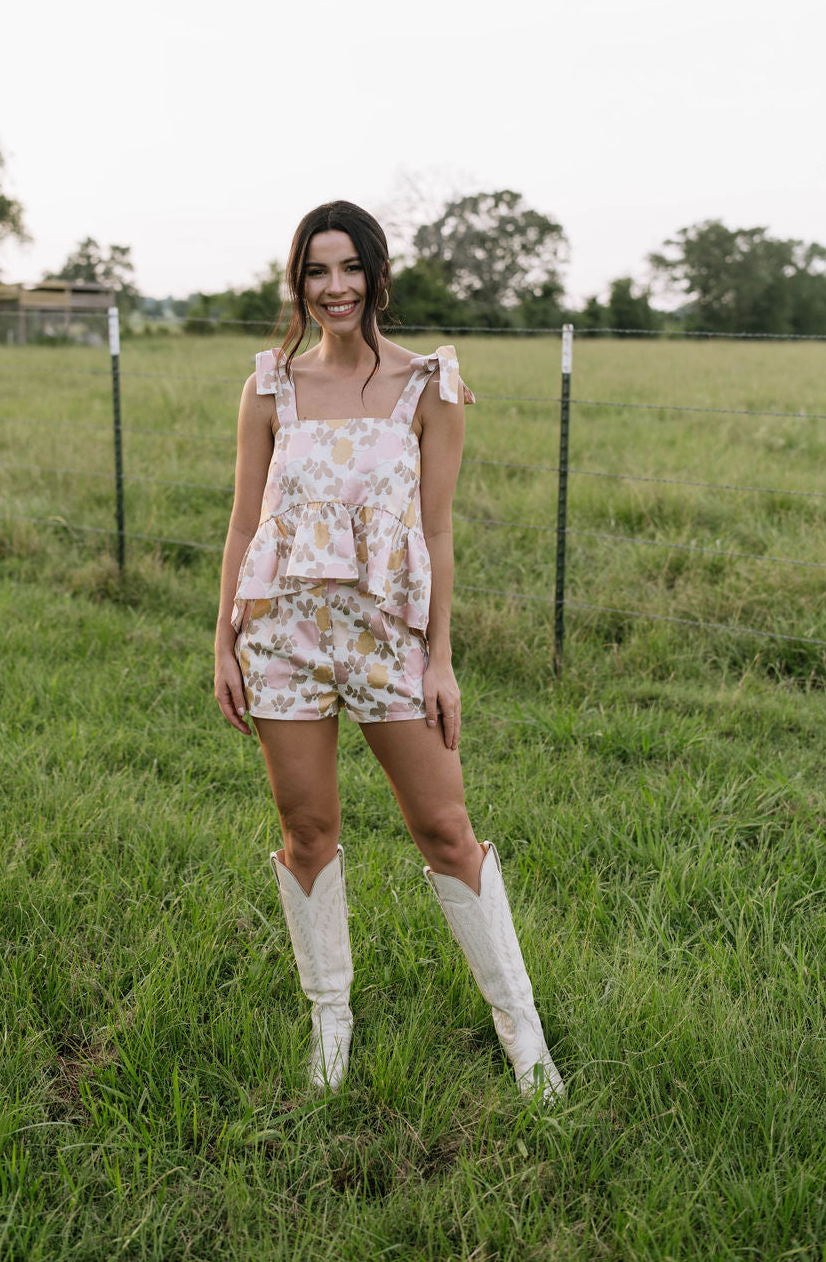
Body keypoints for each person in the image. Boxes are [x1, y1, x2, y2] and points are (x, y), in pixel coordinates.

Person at [214, 200, 563, 1100]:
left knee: (446, 828)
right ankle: (331, 1017)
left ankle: (521, 1029)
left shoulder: (430, 386)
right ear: (298, 283)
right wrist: (225, 639)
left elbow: (437, 531)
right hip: (283, 637)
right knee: (307, 831)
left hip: (387, 637)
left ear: (377, 275)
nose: (334, 288)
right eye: (316, 272)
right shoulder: (267, 389)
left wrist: (438, 658)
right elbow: (245, 521)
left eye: (349, 269)